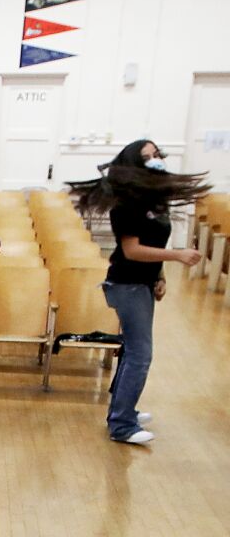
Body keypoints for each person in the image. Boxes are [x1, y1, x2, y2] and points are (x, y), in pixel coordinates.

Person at [69, 139, 206, 445]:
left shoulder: (153, 201)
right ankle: (122, 424)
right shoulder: (127, 204)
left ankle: (122, 409)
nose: (155, 159)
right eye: (147, 156)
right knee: (141, 355)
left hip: (142, 284)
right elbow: (132, 251)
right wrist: (178, 256)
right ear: (133, 163)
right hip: (125, 283)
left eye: (157, 154)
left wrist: (159, 275)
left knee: (132, 351)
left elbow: (153, 247)